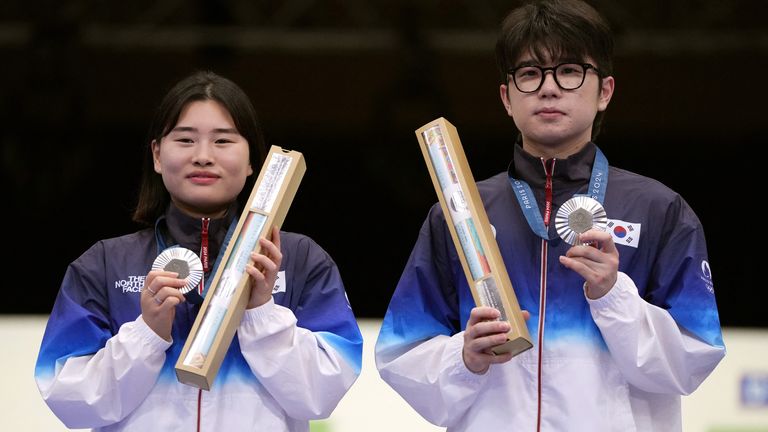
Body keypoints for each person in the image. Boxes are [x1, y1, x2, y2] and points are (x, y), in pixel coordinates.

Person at [375, 0, 725, 430]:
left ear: (605, 91)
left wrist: (614, 296)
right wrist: (463, 357)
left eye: (570, 71)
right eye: (529, 74)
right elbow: (400, 352)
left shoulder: (659, 210)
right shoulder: (460, 213)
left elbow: (693, 361)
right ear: (506, 97)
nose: (548, 88)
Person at [35, 71, 363, 431]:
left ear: (253, 159)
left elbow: (323, 394)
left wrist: (261, 312)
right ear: (158, 155)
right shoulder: (103, 264)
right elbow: (72, 403)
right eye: (186, 140)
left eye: (223, 141)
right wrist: (147, 333)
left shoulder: (298, 259)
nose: (203, 156)